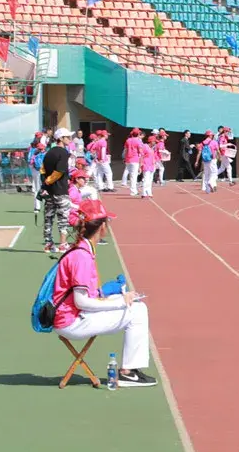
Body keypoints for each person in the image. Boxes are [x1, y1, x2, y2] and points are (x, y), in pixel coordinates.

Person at [52, 200, 156, 387]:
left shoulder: (81, 249)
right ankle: (128, 373)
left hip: (71, 316)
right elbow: (81, 302)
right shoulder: (82, 256)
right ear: (101, 227)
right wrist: (121, 302)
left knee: (134, 304)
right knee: (138, 311)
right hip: (72, 322)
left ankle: (130, 371)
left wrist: (107, 292)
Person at [41, 128, 74, 253]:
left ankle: (48, 244)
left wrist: (45, 183)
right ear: (60, 138)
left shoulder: (48, 153)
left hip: (49, 191)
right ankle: (63, 244)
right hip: (60, 190)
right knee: (63, 218)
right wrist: (49, 181)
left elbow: (42, 170)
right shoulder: (64, 153)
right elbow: (59, 171)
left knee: (48, 217)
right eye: (67, 137)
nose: (69, 139)